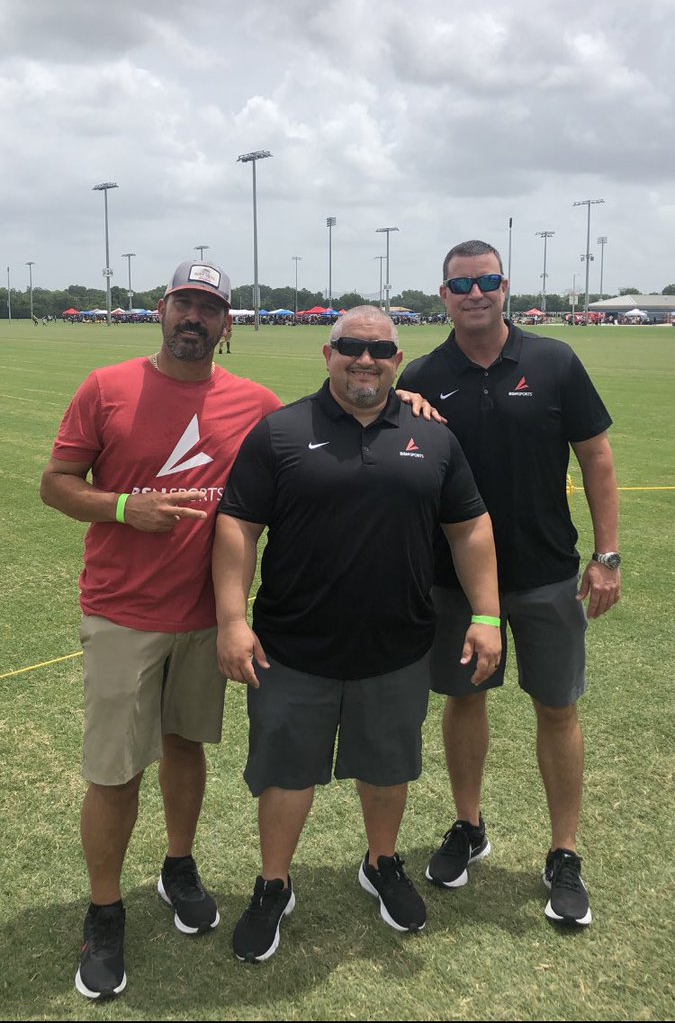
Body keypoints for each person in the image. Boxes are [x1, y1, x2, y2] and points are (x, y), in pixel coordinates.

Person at [212, 305, 501, 964]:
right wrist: (231, 620)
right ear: (327, 354)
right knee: (287, 773)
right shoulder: (281, 431)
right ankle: (273, 883)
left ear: (398, 361)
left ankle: (381, 863)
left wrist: (486, 615)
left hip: (397, 649)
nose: (363, 360)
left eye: (378, 350)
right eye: (349, 347)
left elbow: (469, 528)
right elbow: (238, 527)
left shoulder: (434, 437)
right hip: (293, 649)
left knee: (386, 767)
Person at [39, 260, 283, 1000]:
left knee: (185, 746)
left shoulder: (255, 403)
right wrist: (124, 508)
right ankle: (104, 911)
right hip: (122, 613)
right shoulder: (107, 388)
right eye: (184, 303)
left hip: (206, 617)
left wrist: (404, 397)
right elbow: (56, 485)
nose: (194, 318)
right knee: (115, 770)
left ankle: (178, 866)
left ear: (226, 324)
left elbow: (324, 430)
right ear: (161, 309)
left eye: (209, 308)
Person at [396, 239, 621, 928]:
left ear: (504, 286)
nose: (475, 293)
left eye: (486, 281)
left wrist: (607, 556)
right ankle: (469, 827)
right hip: (456, 583)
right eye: (461, 284)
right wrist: (400, 400)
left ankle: (564, 852)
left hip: (547, 572)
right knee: (464, 700)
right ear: (443, 295)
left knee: (557, 708)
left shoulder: (554, 361)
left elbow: (596, 456)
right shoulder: (423, 374)